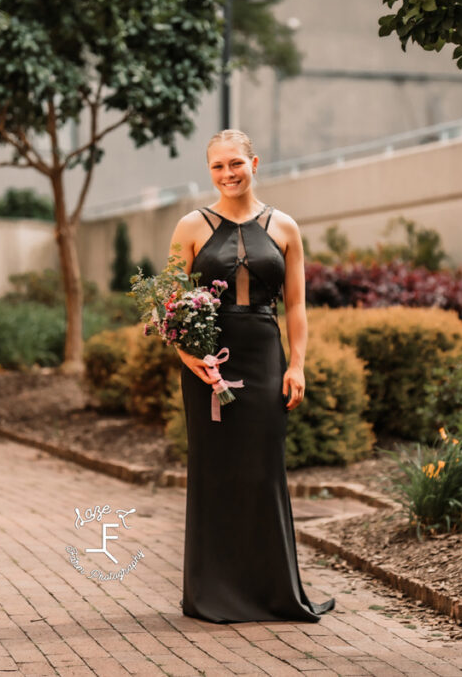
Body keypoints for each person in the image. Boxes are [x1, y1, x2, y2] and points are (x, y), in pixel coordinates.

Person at [168, 129, 335, 623]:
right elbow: (171, 305)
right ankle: (212, 592)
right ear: (210, 171)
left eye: (236, 163)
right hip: (209, 363)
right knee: (215, 470)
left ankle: (272, 591)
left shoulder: (284, 227)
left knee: (263, 469)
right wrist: (188, 356)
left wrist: (298, 363)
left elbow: (298, 304)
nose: (228, 174)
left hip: (264, 354)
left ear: (254, 163)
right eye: (218, 167)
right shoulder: (190, 226)